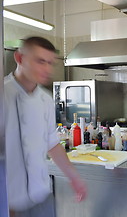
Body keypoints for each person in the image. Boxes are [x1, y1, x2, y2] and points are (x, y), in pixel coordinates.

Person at [4, 37, 87, 217]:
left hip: (41, 193)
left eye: (50, 63)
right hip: (9, 199)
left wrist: (74, 178)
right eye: (41, 61)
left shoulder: (46, 99)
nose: (47, 69)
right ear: (19, 58)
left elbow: (52, 143)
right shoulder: (4, 94)